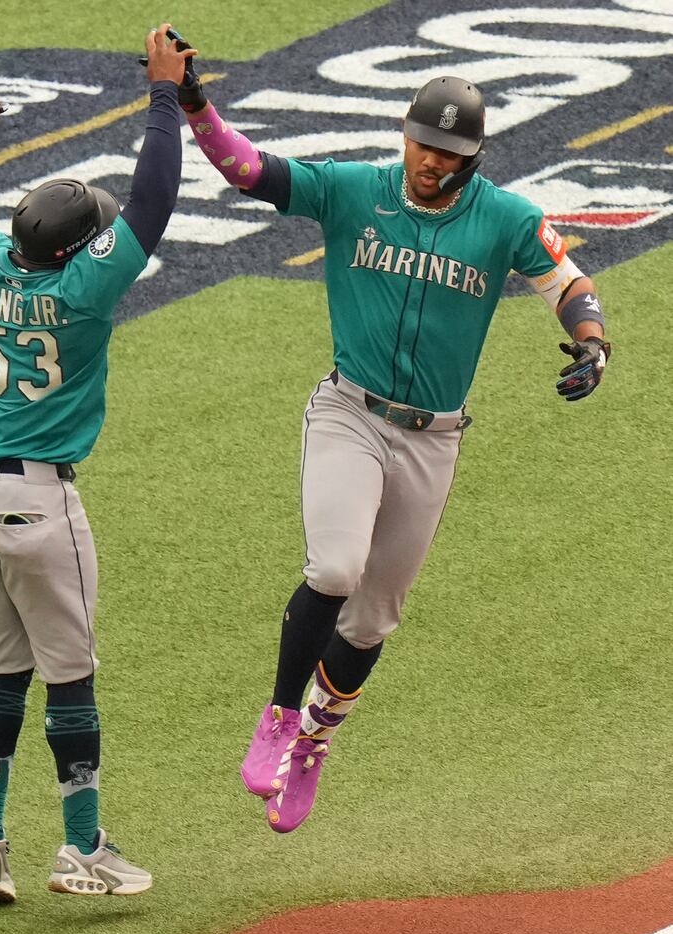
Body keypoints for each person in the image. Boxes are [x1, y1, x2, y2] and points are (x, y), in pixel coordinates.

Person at [177, 71, 611, 833]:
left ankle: (314, 742)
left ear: (472, 158)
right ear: (404, 135)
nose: (431, 162)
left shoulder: (506, 218)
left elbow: (569, 282)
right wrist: (194, 106)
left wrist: (593, 342)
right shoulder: (353, 190)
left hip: (433, 440)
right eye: (423, 144)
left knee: (374, 619)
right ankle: (280, 714)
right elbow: (249, 171)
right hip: (350, 413)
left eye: (448, 153)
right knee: (336, 569)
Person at [0, 25, 196, 901]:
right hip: (38, 506)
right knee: (69, 678)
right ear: (80, 252)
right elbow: (153, 199)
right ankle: (82, 847)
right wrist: (161, 93)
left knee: (3, 668)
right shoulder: (82, 291)